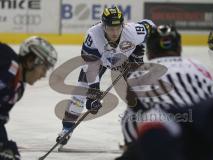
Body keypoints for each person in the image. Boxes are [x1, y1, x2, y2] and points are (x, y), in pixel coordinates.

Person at [56, 6, 155, 146]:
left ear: (123, 25)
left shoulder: (133, 32)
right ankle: (66, 129)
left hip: (125, 60)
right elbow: (91, 67)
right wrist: (93, 95)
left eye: (117, 27)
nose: (114, 32)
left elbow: (151, 25)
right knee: (81, 90)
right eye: (110, 28)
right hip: (99, 62)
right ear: (103, 26)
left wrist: (138, 51)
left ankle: (148, 130)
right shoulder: (93, 35)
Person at [119, 24, 213, 147]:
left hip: (162, 141)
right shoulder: (199, 67)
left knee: (129, 115)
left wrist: (131, 147)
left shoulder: (139, 73)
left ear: (150, 51)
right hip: (202, 140)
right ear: (178, 48)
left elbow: (131, 118)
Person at [0, 36, 58, 160]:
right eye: (43, 68)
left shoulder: (17, 89)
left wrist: (4, 145)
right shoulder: (7, 61)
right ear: (30, 61)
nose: (43, 74)